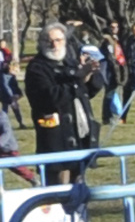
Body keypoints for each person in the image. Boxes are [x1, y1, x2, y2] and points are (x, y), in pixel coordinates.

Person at [25, 24, 101, 182]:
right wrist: (76, 80)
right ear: (41, 43)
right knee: (59, 187)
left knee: (79, 186)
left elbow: (88, 91)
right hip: (55, 139)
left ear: (65, 41)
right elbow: (48, 98)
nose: (54, 45)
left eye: (58, 40)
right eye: (49, 41)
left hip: (81, 135)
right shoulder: (36, 68)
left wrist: (89, 75)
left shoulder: (71, 62)